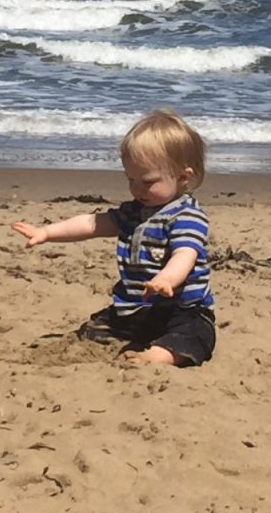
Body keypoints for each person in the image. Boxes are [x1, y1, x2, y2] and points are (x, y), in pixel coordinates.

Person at [11, 109, 215, 366]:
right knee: (96, 328)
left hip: (182, 309)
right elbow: (92, 223)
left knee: (193, 335)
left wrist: (167, 279)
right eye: (130, 179)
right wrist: (48, 232)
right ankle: (143, 341)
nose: (136, 189)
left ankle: (160, 356)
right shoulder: (133, 212)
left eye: (147, 181)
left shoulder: (186, 216)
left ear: (183, 177)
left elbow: (185, 253)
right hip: (138, 308)